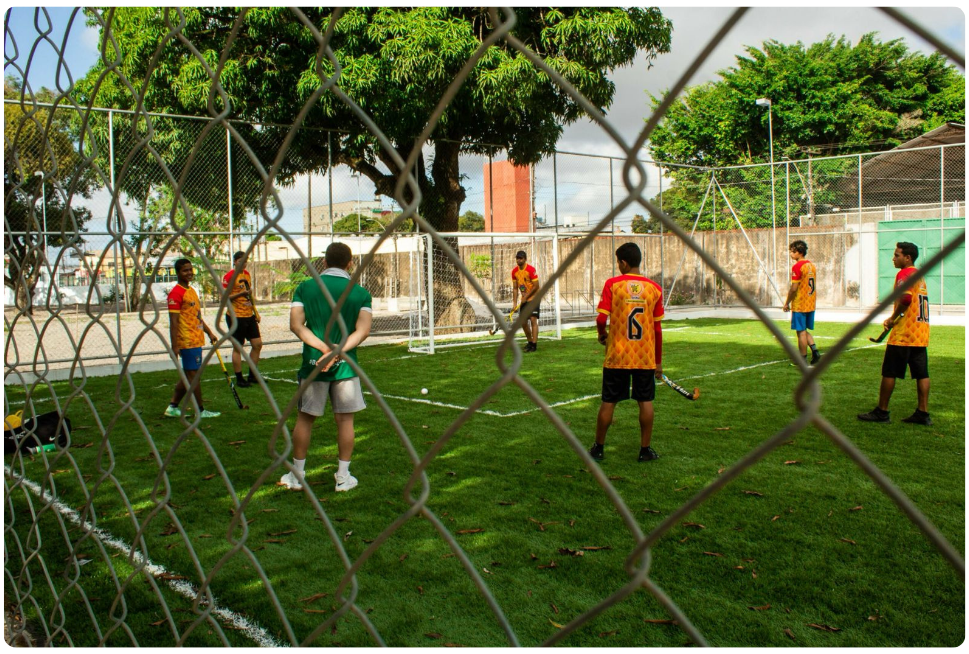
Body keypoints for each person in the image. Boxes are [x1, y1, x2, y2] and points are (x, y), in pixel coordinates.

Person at [280, 242, 373, 493]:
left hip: (313, 365)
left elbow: (297, 325)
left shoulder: (306, 288)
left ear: (324, 262)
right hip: (346, 367)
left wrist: (324, 352)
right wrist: (337, 352)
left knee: (305, 419)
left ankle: (298, 474)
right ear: (350, 263)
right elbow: (363, 331)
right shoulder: (361, 293)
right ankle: (343, 477)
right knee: (345, 421)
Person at [588, 243, 664, 463]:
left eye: (617, 262)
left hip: (617, 356)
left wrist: (602, 334)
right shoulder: (654, 288)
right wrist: (658, 362)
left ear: (623, 262)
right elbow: (657, 329)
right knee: (645, 402)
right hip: (644, 357)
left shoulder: (613, 285)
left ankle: (598, 449)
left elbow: (601, 318)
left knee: (608, 402)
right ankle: (645, 450)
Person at [858, 242, 932, 425]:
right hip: (920, 333)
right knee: (922, 374)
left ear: (907, 258)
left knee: (889, 372)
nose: (893, 258)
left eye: (897, 255)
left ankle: (882, 412)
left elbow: (905, 299)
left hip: (904, 333)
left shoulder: (904, 273)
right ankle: (923, 413)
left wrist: (892, 318)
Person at [165, 259, 220, 418]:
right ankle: (200, 411)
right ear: (177, 272)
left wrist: (209, 332)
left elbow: (196, 316)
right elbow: (173, 322)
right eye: (185, 270)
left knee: (189, 375)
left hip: (196, 339)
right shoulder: (176, 293)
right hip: (186, 340)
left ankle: (173, 406)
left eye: (190, 270)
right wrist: (174, 346)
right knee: (193, 375)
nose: (189, 273)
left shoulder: (191, 290)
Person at [222, 251, 262, 387]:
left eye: (245, 261)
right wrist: (241, 293)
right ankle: (239, 378)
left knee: (257, 344)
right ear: (235, 261)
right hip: (235, 316)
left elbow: (248, 295)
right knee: (238, 347)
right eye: (240, 261)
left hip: (248, 315)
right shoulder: (229, 276)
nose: (243, 264)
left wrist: (255, 311)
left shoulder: (247, 275)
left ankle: (252, 375)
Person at [782, 240, 822, 366]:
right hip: (810, 302)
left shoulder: (797, 267)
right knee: (803, 330)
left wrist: (787, 302)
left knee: (800, 332)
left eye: (792, 252)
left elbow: (794, 288)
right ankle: (815, 351)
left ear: (799, 252)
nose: (790, 254)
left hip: (800, 303)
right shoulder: (811, 265)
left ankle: (802, 359)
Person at [511, 250, 541, 352]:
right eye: (517, 258)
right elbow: (515, 288)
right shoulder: (514, 272)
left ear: (525, 259)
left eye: (521, 258)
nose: (518, 260)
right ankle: (529, 342)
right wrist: (515, 303)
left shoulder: (531, 270)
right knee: (523, 322)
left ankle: (534, 345)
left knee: (533, 319)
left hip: (534, 298)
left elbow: (536, 286)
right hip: (524, 300)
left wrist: (526, 297)